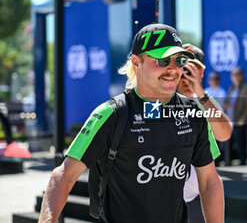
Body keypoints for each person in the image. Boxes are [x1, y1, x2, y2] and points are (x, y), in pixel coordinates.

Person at [38, 23, 224, 223]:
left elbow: (209, 181)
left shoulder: (193, 112)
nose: (173, 69)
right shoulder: (110, 114)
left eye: (179, 60)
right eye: (162, 61)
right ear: (137, 62)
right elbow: (64, 176)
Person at [177, 43, 232, 223]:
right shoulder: (159, 101)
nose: (186, 75)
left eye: (193, 69)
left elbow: (224, 133)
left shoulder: (205, 102)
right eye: (183, 69)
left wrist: (199, 93)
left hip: (196, 198)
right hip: (166, 200)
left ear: (201, 73)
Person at [225, 67, 247, 165]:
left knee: (241, 145)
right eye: (233, 75)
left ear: (242, 76)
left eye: (238, 74)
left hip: (241, 122)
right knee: (228, 144)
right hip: (231, 121)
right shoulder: (231, 88)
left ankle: (244, 164)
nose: (236, 77)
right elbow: (229, 103)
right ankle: (229, 163)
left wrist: (242, 119)